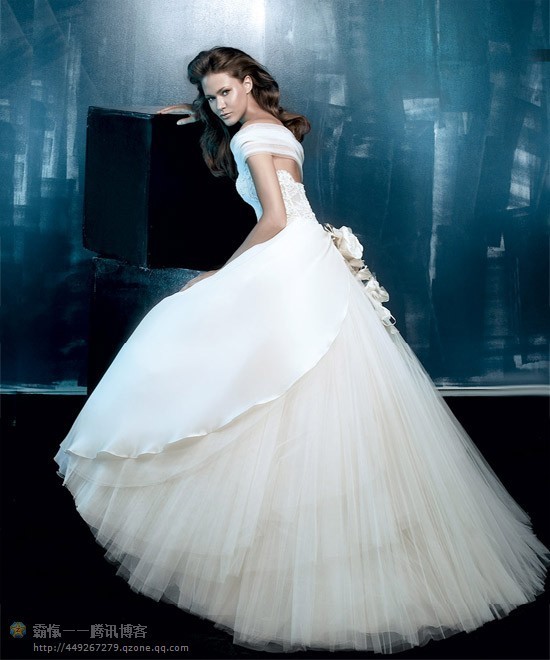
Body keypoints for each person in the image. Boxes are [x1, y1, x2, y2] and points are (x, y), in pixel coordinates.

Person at [54, 46, 549, 654]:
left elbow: (274, 220)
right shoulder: (278, 128)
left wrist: (221, 274)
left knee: (217, 353)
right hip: (313, 257)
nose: (219, 105)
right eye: (211, 97)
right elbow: (286, 194)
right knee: (307, 380)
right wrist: (193, 110)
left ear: (248, 81)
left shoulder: (247, 139)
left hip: (285, 252)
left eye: (225, 92)